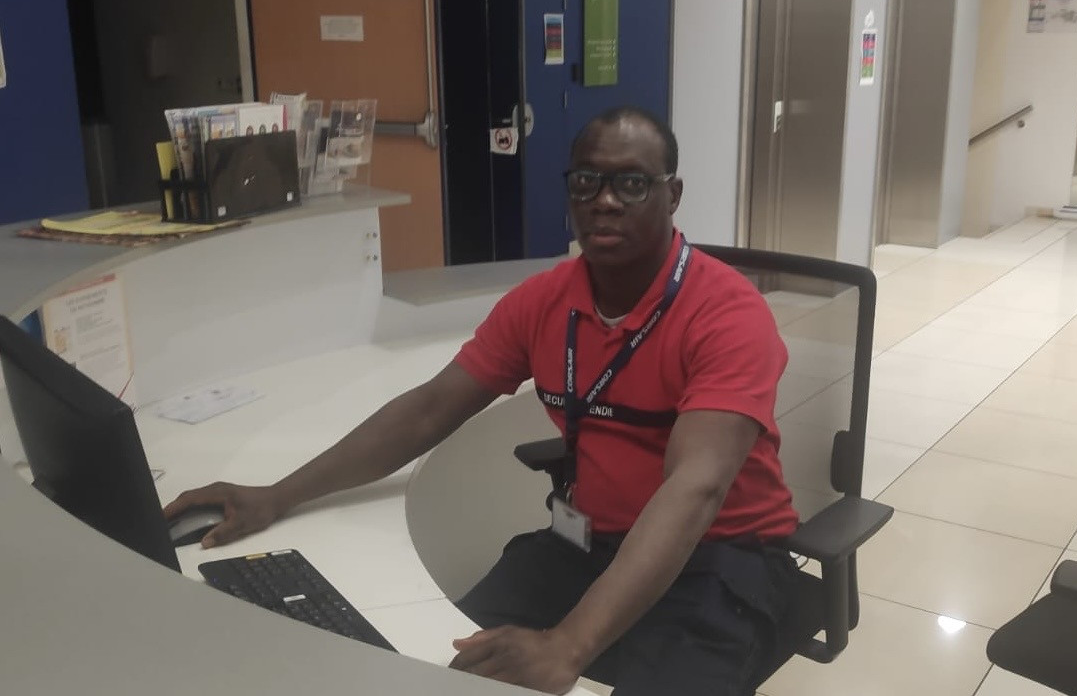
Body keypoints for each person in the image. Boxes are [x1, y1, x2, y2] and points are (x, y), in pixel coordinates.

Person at [165, 105, 799, 696]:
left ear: (673, 194)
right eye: (587, 182)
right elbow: (429, 409)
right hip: (589, 545)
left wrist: (570, 644)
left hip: (724, 558)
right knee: (445, 667)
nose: (605, 201)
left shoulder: (727, 314)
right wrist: (278, 495)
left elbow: (696, 489)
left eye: (632, 184)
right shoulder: (544, 302)